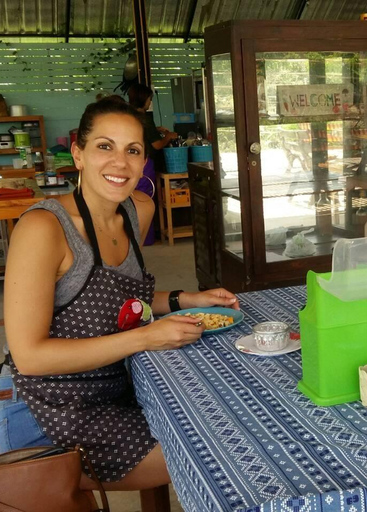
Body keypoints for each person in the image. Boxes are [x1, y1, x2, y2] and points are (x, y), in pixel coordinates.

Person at [2, 96, 239, 491]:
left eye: (133, 150)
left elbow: (121, 303)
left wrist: (186, 299)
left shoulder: (136, 211)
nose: (120, 163)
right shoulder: (44, 228)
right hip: (48, 411)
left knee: (217, 417)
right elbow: (29, 358)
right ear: (78, 154)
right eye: (104, 147)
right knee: (211, 458)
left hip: (118, 387)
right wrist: (146, 337)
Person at [127, 83, 177, 245]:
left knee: (133, 200)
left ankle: (134, 237)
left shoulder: (128, 115)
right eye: (149, 99)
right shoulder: (144, 119)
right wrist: (169, 136)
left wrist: (156, 129)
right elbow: (156, 145)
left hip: (131, 161)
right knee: (145, 199)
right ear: (144, 99)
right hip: (145, 163)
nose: (149, 102)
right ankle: (146, 237)